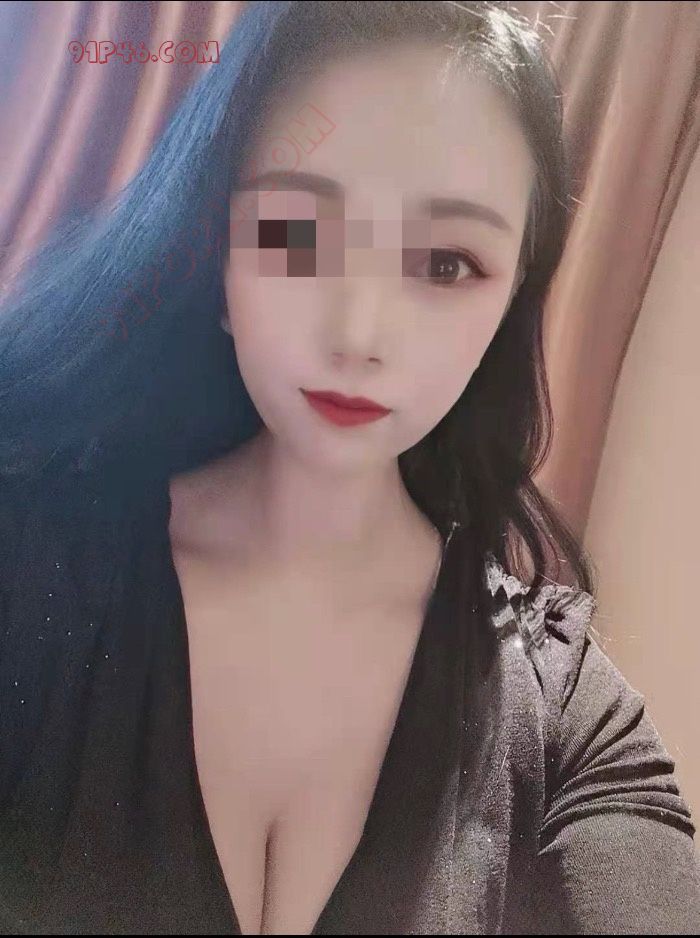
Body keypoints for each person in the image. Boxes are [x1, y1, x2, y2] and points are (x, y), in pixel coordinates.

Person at [0, 1, 698, 934]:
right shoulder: (27, 564)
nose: (359, 334)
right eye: (296, 234)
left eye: (446, 264)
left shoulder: (565, 711)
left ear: (507, 310)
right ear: (215, 259)